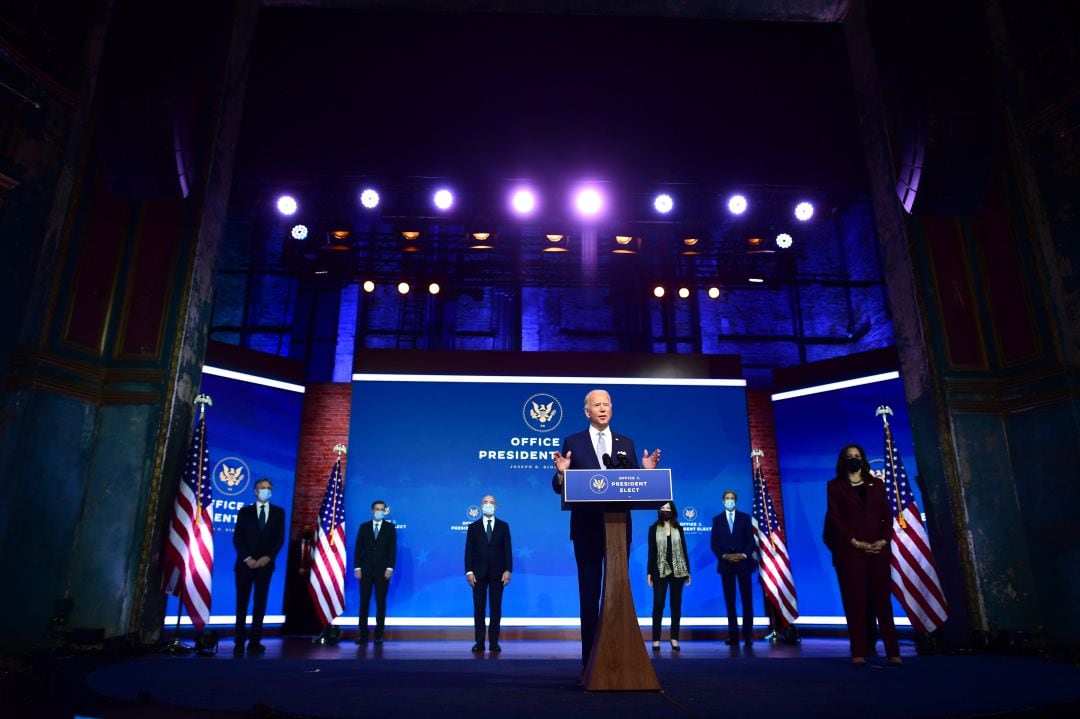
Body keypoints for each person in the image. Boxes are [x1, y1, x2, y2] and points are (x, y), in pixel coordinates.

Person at [552, 388, 661, 665]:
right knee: (590, 598)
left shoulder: (626, 442)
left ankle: (619, 661)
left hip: (618, 529)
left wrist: (646, 474)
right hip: (586, 529)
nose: (603, 409)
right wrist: (562, 474)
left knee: (617, 595)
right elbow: (557, 487)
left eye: (607, 404)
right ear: (587, 411)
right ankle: (589, 664)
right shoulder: (573, 442)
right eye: (597, 405)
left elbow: (634, 487)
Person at [824, 444, 901, 666]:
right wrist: (855, 542)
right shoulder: (835, 486)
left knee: (883, 603)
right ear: (843, 461)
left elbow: (887, 516)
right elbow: (835, 519)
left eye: (857, 456)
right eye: (849, 457)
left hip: (878, 551)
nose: (854, 459)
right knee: (856, 602)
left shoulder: (877, 484)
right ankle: (858, 650)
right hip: (852, 553)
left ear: (863, 459)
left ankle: (893, 651)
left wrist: (883, 540)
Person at [233, 477, 285, 656]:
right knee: (242, 603)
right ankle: (239, 641)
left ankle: (255, 642)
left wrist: (269, 557)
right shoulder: (244, 512)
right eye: (263, 488)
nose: (266, 491)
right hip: (245, 565)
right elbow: (237, 538)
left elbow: (279, 539)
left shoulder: (279, 513)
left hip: (265, 566)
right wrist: (247, 558)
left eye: (269, 488)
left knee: (260, 604)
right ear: (255, 491)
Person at [464, 494, 513, 653]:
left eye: (491, 503)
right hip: (478, 574)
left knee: (495, 609)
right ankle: (479, 642)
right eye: (485, 502)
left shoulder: (503, 526)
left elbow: (507, 550)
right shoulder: (473, 527)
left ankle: (493, 643)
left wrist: (508, 570)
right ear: (481, 506)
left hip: (498, 574)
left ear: (496, 506)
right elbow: (468, 551)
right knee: (479, 609)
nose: (488, 505)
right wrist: (469, 571)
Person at [710, 490, 757, 647]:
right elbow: (714, 543)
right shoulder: (717, 520)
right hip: (726, 565)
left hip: (744, 564)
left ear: (735, 501)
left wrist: (743, 555)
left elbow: (751, 541)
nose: (730, 501)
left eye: (732, 498)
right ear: (723, 501)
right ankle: (733, 636)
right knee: (730, 602)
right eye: (727, 498)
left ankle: (748, 636)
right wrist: (724, 556)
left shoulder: (745, 518)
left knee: (747, 601)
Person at [646, 501, 691, 651]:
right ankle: (656, 640)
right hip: (659, 570)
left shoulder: (679, 528)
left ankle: (674, 638)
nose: (665, 511)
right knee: (658, 604)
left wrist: (688, 572)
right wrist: (649, 573)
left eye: (667, 508)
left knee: (676, 605)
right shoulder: (653, 529)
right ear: (659, 512)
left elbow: (684, 550)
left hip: (678, 570)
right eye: (662, 509)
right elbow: (651, 552)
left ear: (672, 511)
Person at [354, 499, 396, 644]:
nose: (379, 511)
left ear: (384, 511)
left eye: (382, 509)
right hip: (365, 571)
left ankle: (379, 634)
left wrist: (389, 568)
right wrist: (357, 568)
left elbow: (392, 550)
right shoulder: (364, 527)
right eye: (377, 509)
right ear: (372, 511)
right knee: (364, 602)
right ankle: (363, 634)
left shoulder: (390, 528)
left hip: (382, 571)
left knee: (380, 602)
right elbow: (358, 548)